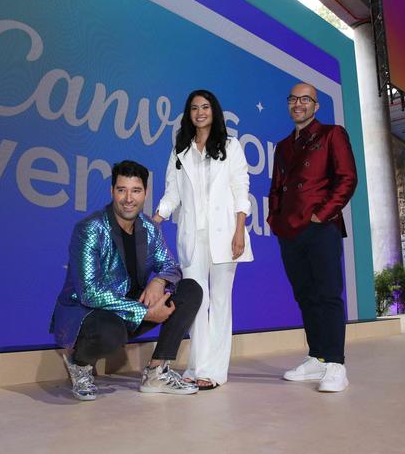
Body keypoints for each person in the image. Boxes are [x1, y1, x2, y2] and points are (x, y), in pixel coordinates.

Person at [50, 161, 203, 401]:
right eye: (122, 190)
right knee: (110, 332)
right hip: (89, 314)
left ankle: (156, 371)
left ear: (145, 193)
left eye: (136, 190)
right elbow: (89, 292)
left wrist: (159, 281)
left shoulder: (150, 229)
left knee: (190, 290)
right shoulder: (90, 229)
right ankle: (79, 364)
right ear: (112, 191)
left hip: (129, 308)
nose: (128, 198)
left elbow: (170, 266)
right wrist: (143, 312)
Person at [154, 89, 253, 390]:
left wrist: (239, 230)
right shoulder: (180, 150)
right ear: (189, 114)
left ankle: (214, 371)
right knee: (196, 300)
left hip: (225, 234)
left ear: (214, 111)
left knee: (221, 301)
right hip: (192, 235)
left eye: (205, 107)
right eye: (194, 108)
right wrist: (161, 212)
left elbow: (241, 188)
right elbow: (172, 191)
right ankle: (197, 366)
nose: (200, 112)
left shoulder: (231, 146)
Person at [267, 82, 357, 392]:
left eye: (306, 99)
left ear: (316, 106)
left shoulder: (332, 134)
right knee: (305, 296)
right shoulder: (283, 146)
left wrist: (322, 213)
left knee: (328, 294)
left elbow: (347, 179)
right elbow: (277, 188)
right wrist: (275, 219)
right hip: (289, 231)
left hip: (321, 227)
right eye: (293, 99)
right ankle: (317, 358)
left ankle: (336, 364)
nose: (298, 104)